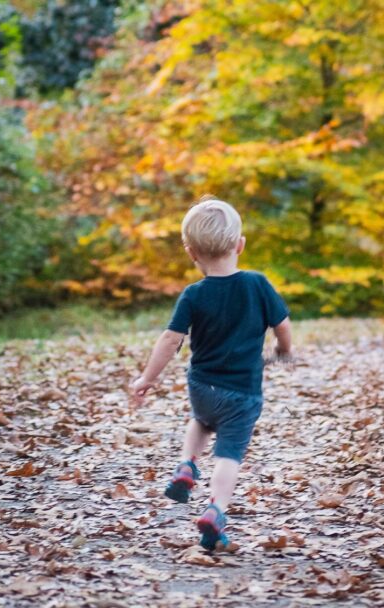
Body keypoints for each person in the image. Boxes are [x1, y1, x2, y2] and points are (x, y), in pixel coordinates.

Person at [130, 195, 292, 552]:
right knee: (228, 453)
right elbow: (282, 324)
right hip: (243, 394)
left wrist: (147, 378)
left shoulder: (193, 294)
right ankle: (216, 509)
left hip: (202, 386)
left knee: (201, 420)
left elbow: (171, 339)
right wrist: (283, 351)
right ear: (240, 245)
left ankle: (186, 464)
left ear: (191, 252)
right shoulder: (257, 284)